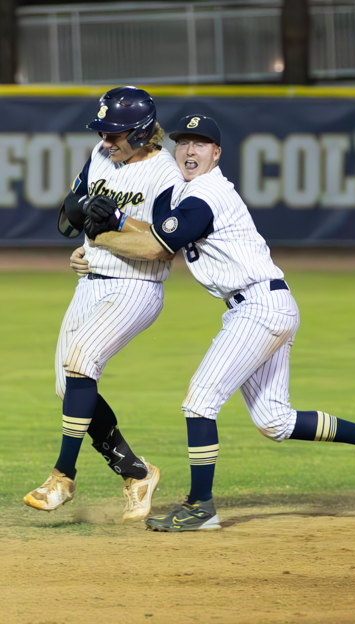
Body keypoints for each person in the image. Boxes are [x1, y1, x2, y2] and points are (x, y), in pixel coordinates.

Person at [85, 115, 355, 531]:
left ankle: (201, 506)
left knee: (199, 401)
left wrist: (102, 233)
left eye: (200, 145)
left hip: (259, 306)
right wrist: (106, 237)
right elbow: (153, 227)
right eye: (183, 143)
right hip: (263, 304)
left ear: (216, 154)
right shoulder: (184, 191)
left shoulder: (206, 194)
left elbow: (157, 244)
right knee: (275, 420)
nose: (189, 151)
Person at [25, 86, 182, 522]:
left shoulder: (165, 174)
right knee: (69, 384)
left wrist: (104, 237)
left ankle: (62, 477)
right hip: (90, 283)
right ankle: (136, 473)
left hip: (137, 286)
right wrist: (85, 239)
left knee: (80, 364)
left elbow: (162, 248)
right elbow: (68, 218)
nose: (107, 140)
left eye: (116, 134)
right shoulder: (99, 155)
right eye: (104, 132)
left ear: (144, 131)